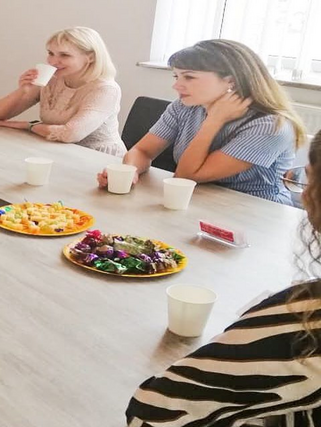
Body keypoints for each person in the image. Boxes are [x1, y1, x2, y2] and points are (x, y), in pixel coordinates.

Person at [126, 131, 321, 426]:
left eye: (306, 180)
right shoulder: (184, 110)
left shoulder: (304, 322)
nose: (303, 194)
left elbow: (152, 414)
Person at [97, 39, 305, 204]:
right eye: (176, 76)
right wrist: (130, 172)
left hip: (254, 212)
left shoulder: (270, 126)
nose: (177, 86)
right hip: (198, 201)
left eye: (189, 77)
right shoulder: (184, 106)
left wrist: (214, 121)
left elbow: (187, 176)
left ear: (231, 81)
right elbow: (142, 151)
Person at [0, 27, 127, 156]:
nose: (53, 61)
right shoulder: (51, 78)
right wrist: (23, 90)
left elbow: (70, 134)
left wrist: (29, 126)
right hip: (59, 150)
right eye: (51, 53)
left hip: (98, 157)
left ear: (90, 57)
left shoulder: (105, 89)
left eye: (64, 55)